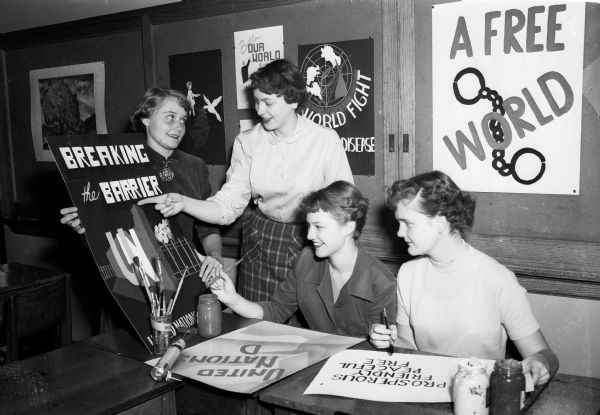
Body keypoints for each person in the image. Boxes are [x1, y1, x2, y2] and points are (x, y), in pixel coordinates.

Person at [138, 59, 353, 303]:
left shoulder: (325, 141)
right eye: (257, 101)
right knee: (256, 323)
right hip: (263, 241)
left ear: (293, 101)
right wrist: (184, 202)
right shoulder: (247, 142)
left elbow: (345, 208)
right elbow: (227, 206)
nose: (260, 111)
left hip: (313, 241)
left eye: (268, 102)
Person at [369, 171, 558, 386]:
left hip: (482, 394)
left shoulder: (498, 279)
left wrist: (539, 361)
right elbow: (408, 346)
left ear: (440, 222)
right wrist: (388, 339)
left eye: (407, 223)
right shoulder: (408, 273)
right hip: (426, 386)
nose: (400, 233)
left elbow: (547, 355)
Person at [60, 87, 224, 281]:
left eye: (183, 120)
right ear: (146, 119)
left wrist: (215, 258)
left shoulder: (195, 166)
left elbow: (208, 228)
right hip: (132, 277)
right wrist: (84, 226)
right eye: (170, 117)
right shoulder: (116, 164)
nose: (179, 127)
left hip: (182, 273)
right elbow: (102, 236)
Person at [207, 181, 396, 338]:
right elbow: (274, 311)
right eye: (309, 226)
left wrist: (381, 339)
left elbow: (384, 346)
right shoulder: (306, 261)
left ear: (348, 227)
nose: (310, 235)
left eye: (319, 227)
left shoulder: (380, 281)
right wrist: (231, 299)